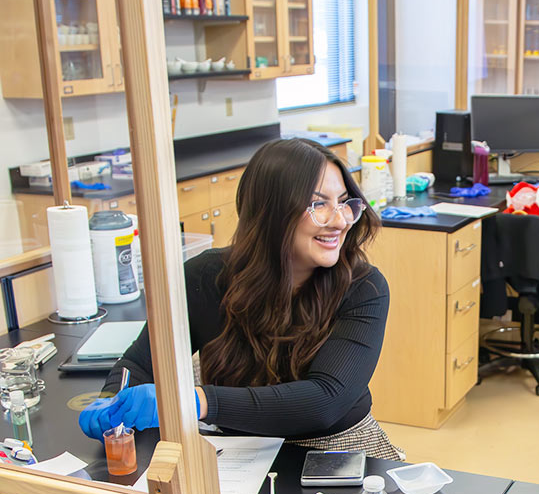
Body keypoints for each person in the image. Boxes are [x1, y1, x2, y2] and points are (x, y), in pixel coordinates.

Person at [79, 138, 404, 460]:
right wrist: (112, 402)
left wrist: (200, 402)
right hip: (236, 449)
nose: (340, 220)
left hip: (334, 448)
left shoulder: (364, 288)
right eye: (319, 204)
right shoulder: (205, 276)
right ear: (270, 212)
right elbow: (139, 363)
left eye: (345, 202)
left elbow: (325, 401)